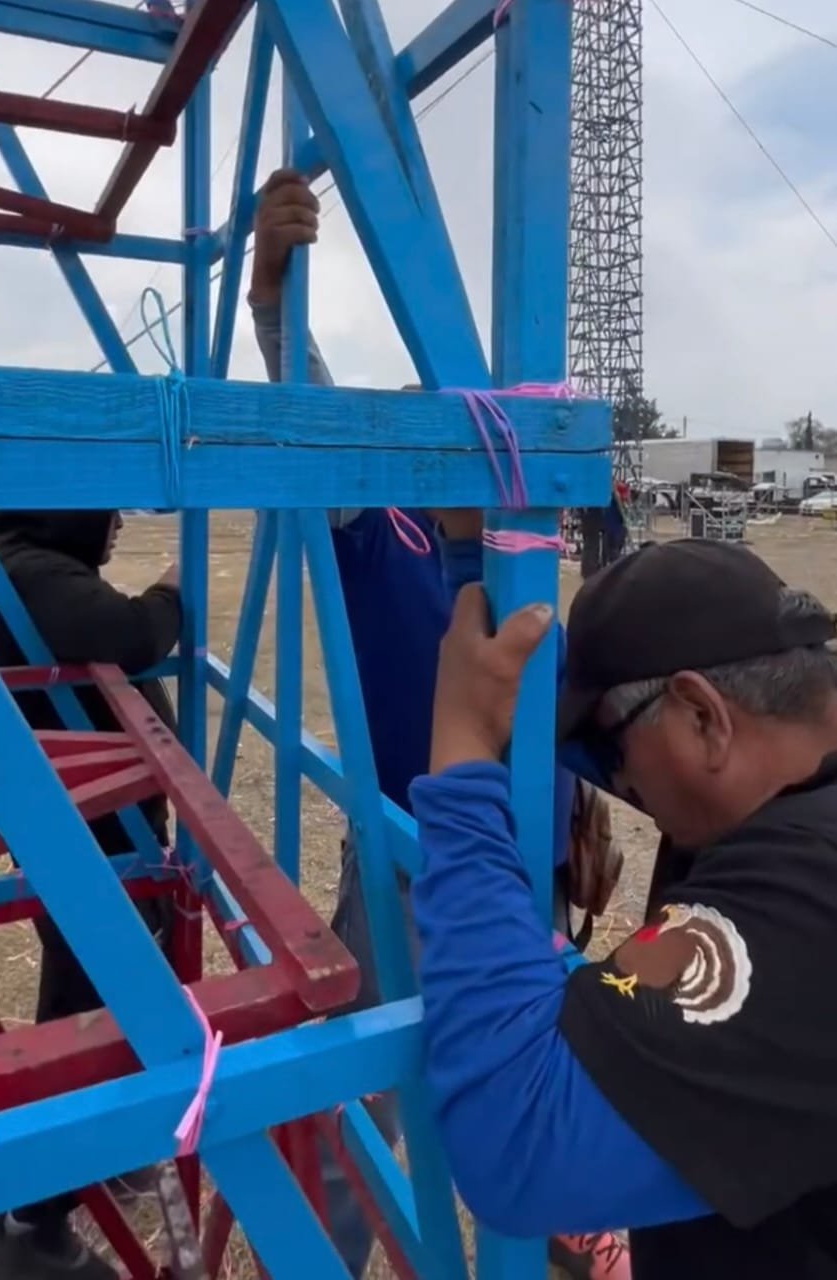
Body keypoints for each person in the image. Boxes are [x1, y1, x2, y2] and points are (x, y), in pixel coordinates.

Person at [251, 169, 628, 1280]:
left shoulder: (525, 563)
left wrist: (578, 805)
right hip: (408, 869)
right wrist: (272, 303)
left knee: (544, 1064)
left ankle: (562, 1228)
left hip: (530, 856)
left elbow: (545, 701)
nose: (516, 455)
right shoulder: (385, 531)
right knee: (367, 1103)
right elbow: (312, 421)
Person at [410, 537, 837, 1279]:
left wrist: (464, 755)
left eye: (613, 756)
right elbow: (580, 708)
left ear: (703, 716)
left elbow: (519, 1141)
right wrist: (473, 554)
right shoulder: (786, 776)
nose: (618, 784)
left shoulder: (813, 890)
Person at [0, 510, 183, 1280]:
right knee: (84, 1004)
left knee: (89, 996)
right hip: (92, 836)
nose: (117, 525)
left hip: (89, 824)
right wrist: (174, 592)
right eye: (105, 513)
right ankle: (30, 1223)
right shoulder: (33, 576)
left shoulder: (29, 570)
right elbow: (131, 634)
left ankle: (92, 1161)